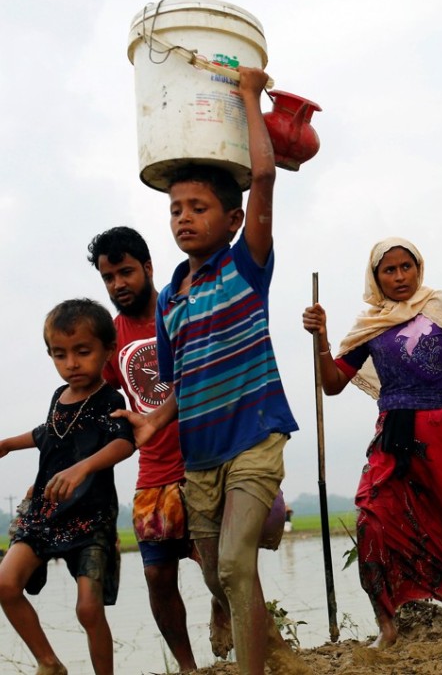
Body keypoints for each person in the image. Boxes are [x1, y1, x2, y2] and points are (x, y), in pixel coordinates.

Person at [113, 67, 303, 675]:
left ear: (233, 220)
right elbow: (182, 380)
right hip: (198, 455)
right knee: (220, 575)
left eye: (199, 208)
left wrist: (248, 95)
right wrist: (151, 422)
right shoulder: (168, 300)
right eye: (175, 210)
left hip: (254, 435)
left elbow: (266, 175)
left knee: (233, 562)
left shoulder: (245, 267)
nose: (184, 218)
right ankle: (269, 648)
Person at [303, 238, 442, 647]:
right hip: (393, 434)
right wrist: (322, 338)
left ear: (418, 267)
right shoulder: (370, 325)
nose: (399, 277)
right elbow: (333, 383)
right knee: (372, 522)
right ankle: (387, 626)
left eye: (405, 267)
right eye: (388, 270)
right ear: (376, 278)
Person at [0, 299, 136, 675]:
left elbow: (124, 442)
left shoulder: (110, 398)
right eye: (60, 355)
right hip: (45, 514)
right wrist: (9, 444)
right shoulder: (57, 399)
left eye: (82, 352)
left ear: (107, 350)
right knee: (6, 584)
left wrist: (82, 469)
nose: (71, 363)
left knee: (88, 609)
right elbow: (50, 434)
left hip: (89, 517)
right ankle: (49, 662)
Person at [86, 226, 197, 672]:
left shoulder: (179, 308)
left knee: (219, 568)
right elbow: (103, 406)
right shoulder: (111, 339)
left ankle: (237, 627)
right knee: (156, 573)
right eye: (109, 278)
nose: (118, 285)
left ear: (148, 267)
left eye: (126, 272)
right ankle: (189, 667)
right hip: (154, 468)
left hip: (204, 457)